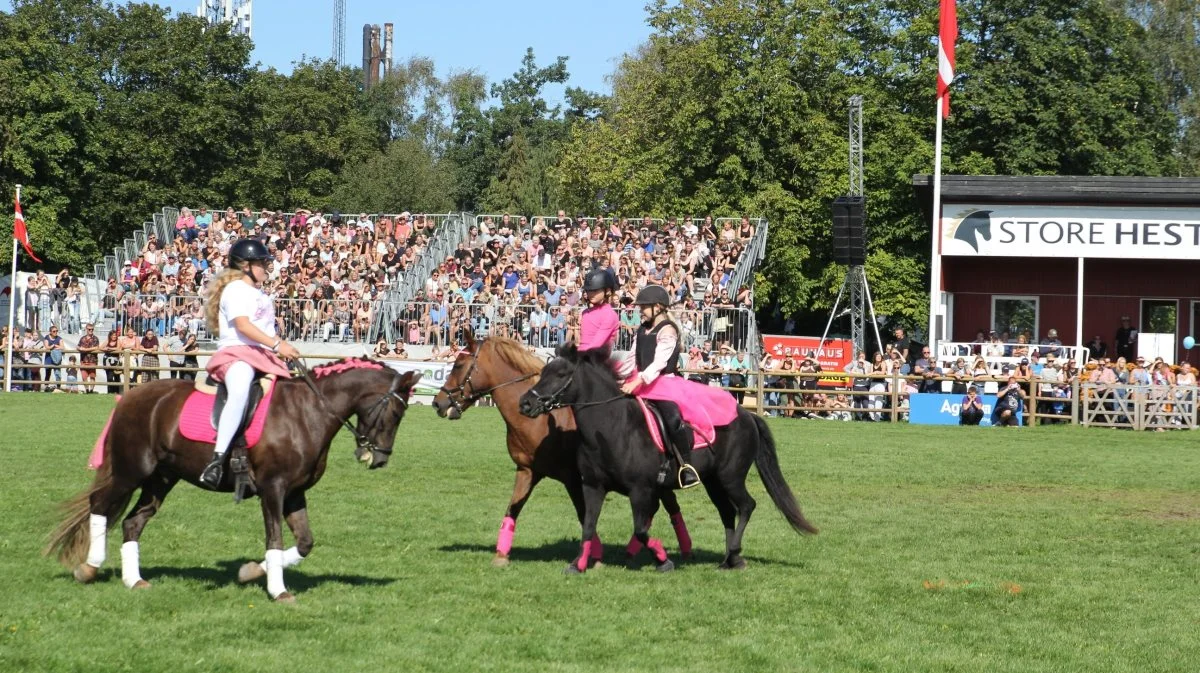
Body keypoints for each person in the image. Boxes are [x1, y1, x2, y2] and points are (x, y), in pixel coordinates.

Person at [199, 239, 300, 490]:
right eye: (262, 263)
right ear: (245, 265)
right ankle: (217, 459)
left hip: (263, 353)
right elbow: (243, 326)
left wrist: (283, 347)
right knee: (241, 386)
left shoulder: (261, 295)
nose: (267, 267)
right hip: (236, 354)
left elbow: (265, 331)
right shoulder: (235, 290)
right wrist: (277, 346)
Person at [615, 285, 737, 489]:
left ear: (658, 307)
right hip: (641, 380)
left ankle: (686, 466)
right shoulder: (642, 329)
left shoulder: (668, 330)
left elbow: (659, 363)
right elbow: (631, 359)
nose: (640, 310)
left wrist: (638, 380)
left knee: (672, 419)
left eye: (644, 307)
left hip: (664, 383)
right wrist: (617, 376)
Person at [577, 269, 619, 357]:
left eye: (595, 291)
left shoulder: (610, 315)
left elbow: (596, 345)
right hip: (581, 358)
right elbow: (582, 342)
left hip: (597, 362)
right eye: (589, 290)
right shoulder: (585, 312)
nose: (591, 294)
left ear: (607, 291)